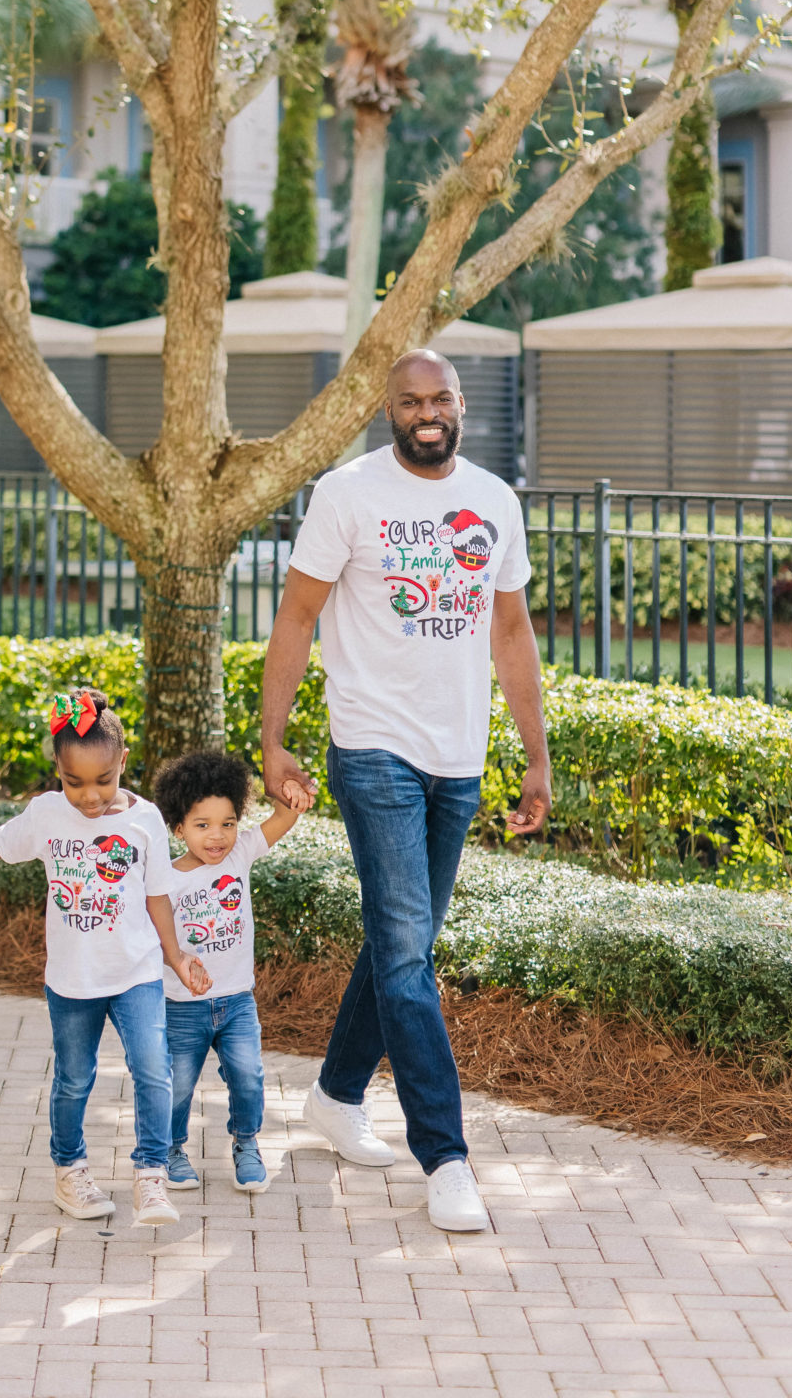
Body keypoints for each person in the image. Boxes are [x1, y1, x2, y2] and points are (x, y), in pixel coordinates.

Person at [260, 350, 551, 1234]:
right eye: (411, 400)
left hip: (458, 756)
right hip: (372, 748)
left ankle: (336, 1094)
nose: (428, 412)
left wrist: (536, 756)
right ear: (388, 409)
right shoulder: (349, 494)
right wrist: (272, 739)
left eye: (441, 399)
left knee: (404, 943)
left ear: (461, 405)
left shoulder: (494, 501)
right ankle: (447, 1156)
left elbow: (511, 632)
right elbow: (297, 615)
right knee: (405, 957)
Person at [0, 687, 210, 1226]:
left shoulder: (145, 820)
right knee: (73, 1078)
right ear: (58, 773)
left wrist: (176, 957)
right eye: (74, 782)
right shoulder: (47, 814)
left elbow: (158, 896)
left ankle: (151, 1176)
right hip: (72, 980)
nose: (90, 797)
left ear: (123, 763)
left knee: (153, 1069)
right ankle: (70, 1171)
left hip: (136, 973)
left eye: (103, 781)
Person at [151, 749, 310, 1193]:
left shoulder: (240, 854)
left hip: (238, 1000)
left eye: (227, 823)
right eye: (202, 825)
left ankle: (246, 1142)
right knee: (178, 1084)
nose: (217, 836)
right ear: (179, 828)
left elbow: (283, 818)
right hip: (183, 1006)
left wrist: (289, 791)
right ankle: (171, 1149)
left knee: (248, 1076)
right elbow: (157, 939)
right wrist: (178, 962)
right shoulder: (166, 879)